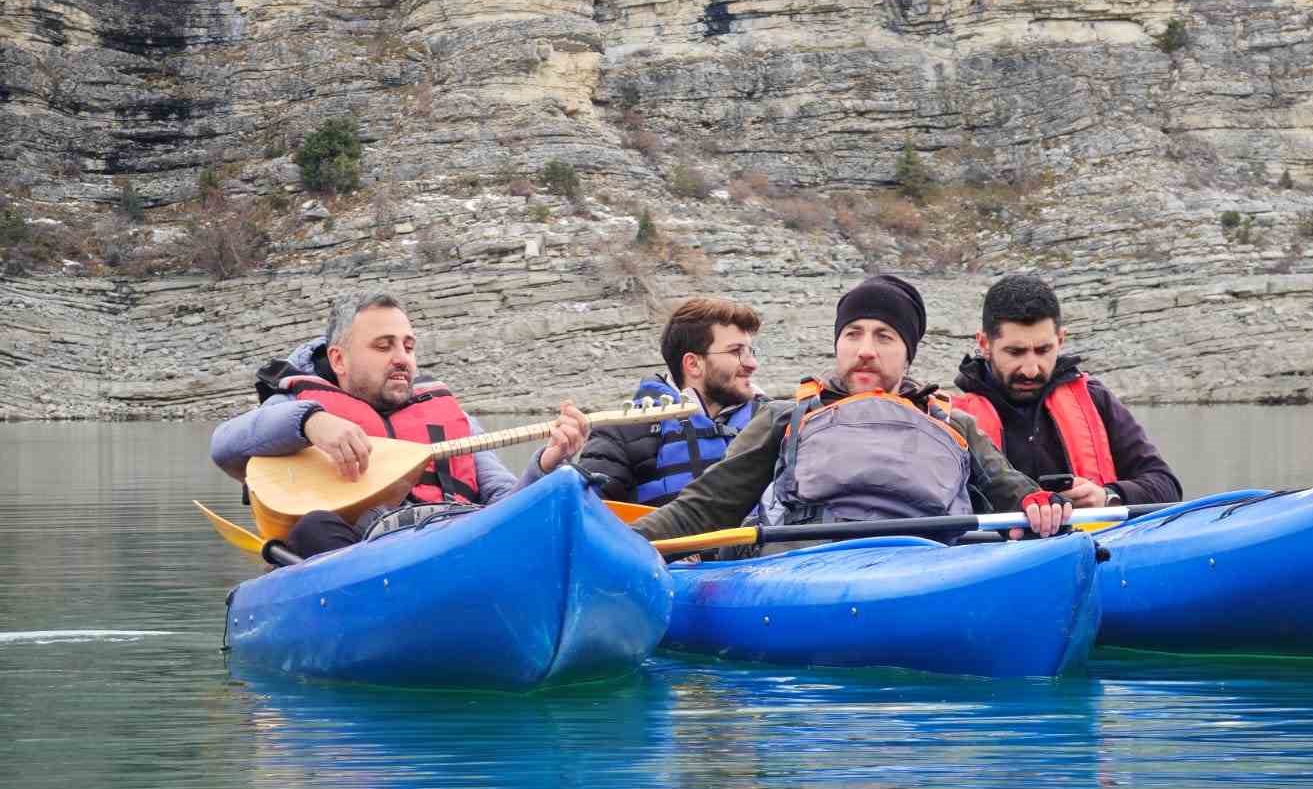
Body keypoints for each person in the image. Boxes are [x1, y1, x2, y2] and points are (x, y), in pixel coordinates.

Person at [631, 274, 1070, 554]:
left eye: (884, 337)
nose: (865, 351)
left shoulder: (952, 424)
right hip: (803, 577)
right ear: (838, 343)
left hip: (924, 571)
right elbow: (704, 508)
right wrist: (625, 545)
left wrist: (1041, 506)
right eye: (853, 334)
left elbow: (1015, 492)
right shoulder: (786, 419)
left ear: (908, 353)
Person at [210, 292, 590, 557]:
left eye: (408, 347)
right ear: (339, 360)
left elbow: (507, 505)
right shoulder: (298, 406)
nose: (401, 359)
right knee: (314, 528)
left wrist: (547, 463)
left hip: (458, 540)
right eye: (383, 346)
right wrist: (310, 421)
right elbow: (224, 445)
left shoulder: (452, 418)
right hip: (365, 552)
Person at [951, 274, 1180, 507]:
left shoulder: (1095, 399)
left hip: (1094, 540)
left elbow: (1166, 486)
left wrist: (1108, 496)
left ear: (1060, 340)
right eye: (1015, 352)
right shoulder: (950, 419)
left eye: (1043, 350)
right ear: (984, 344)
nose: (1031, 370)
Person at [524, 297, 767, 507]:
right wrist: (552, 466)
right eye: (736, 352)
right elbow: (586, 515)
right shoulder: (620, 432)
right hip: (668, 560)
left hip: (770, 560)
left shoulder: (774, 421)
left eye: (750, 352)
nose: (751, 364)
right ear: (693, 364)